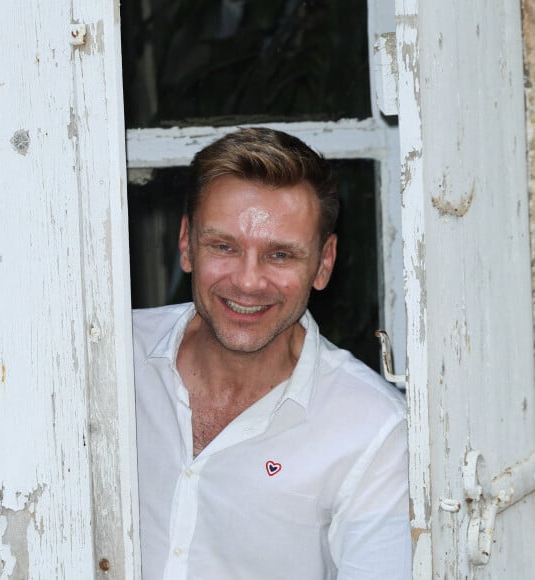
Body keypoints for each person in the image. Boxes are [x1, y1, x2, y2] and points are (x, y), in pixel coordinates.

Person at [133, 127, 411, 579]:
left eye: (280, 255)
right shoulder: (112, 356)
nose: (247, 281)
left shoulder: (372, 428)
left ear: (323, 263)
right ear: (186, 243)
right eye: (224, 247)